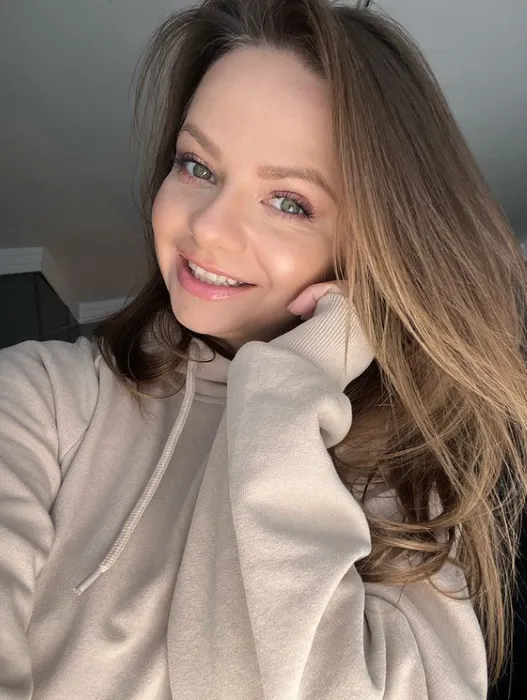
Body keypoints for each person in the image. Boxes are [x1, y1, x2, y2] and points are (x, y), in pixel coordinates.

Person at [1, 0, 526, 698]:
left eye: (289, 202)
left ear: (372, 244)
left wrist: (285, 389)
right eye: (196, 165)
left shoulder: (412, 495)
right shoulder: (40, 397)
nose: (207, 229)